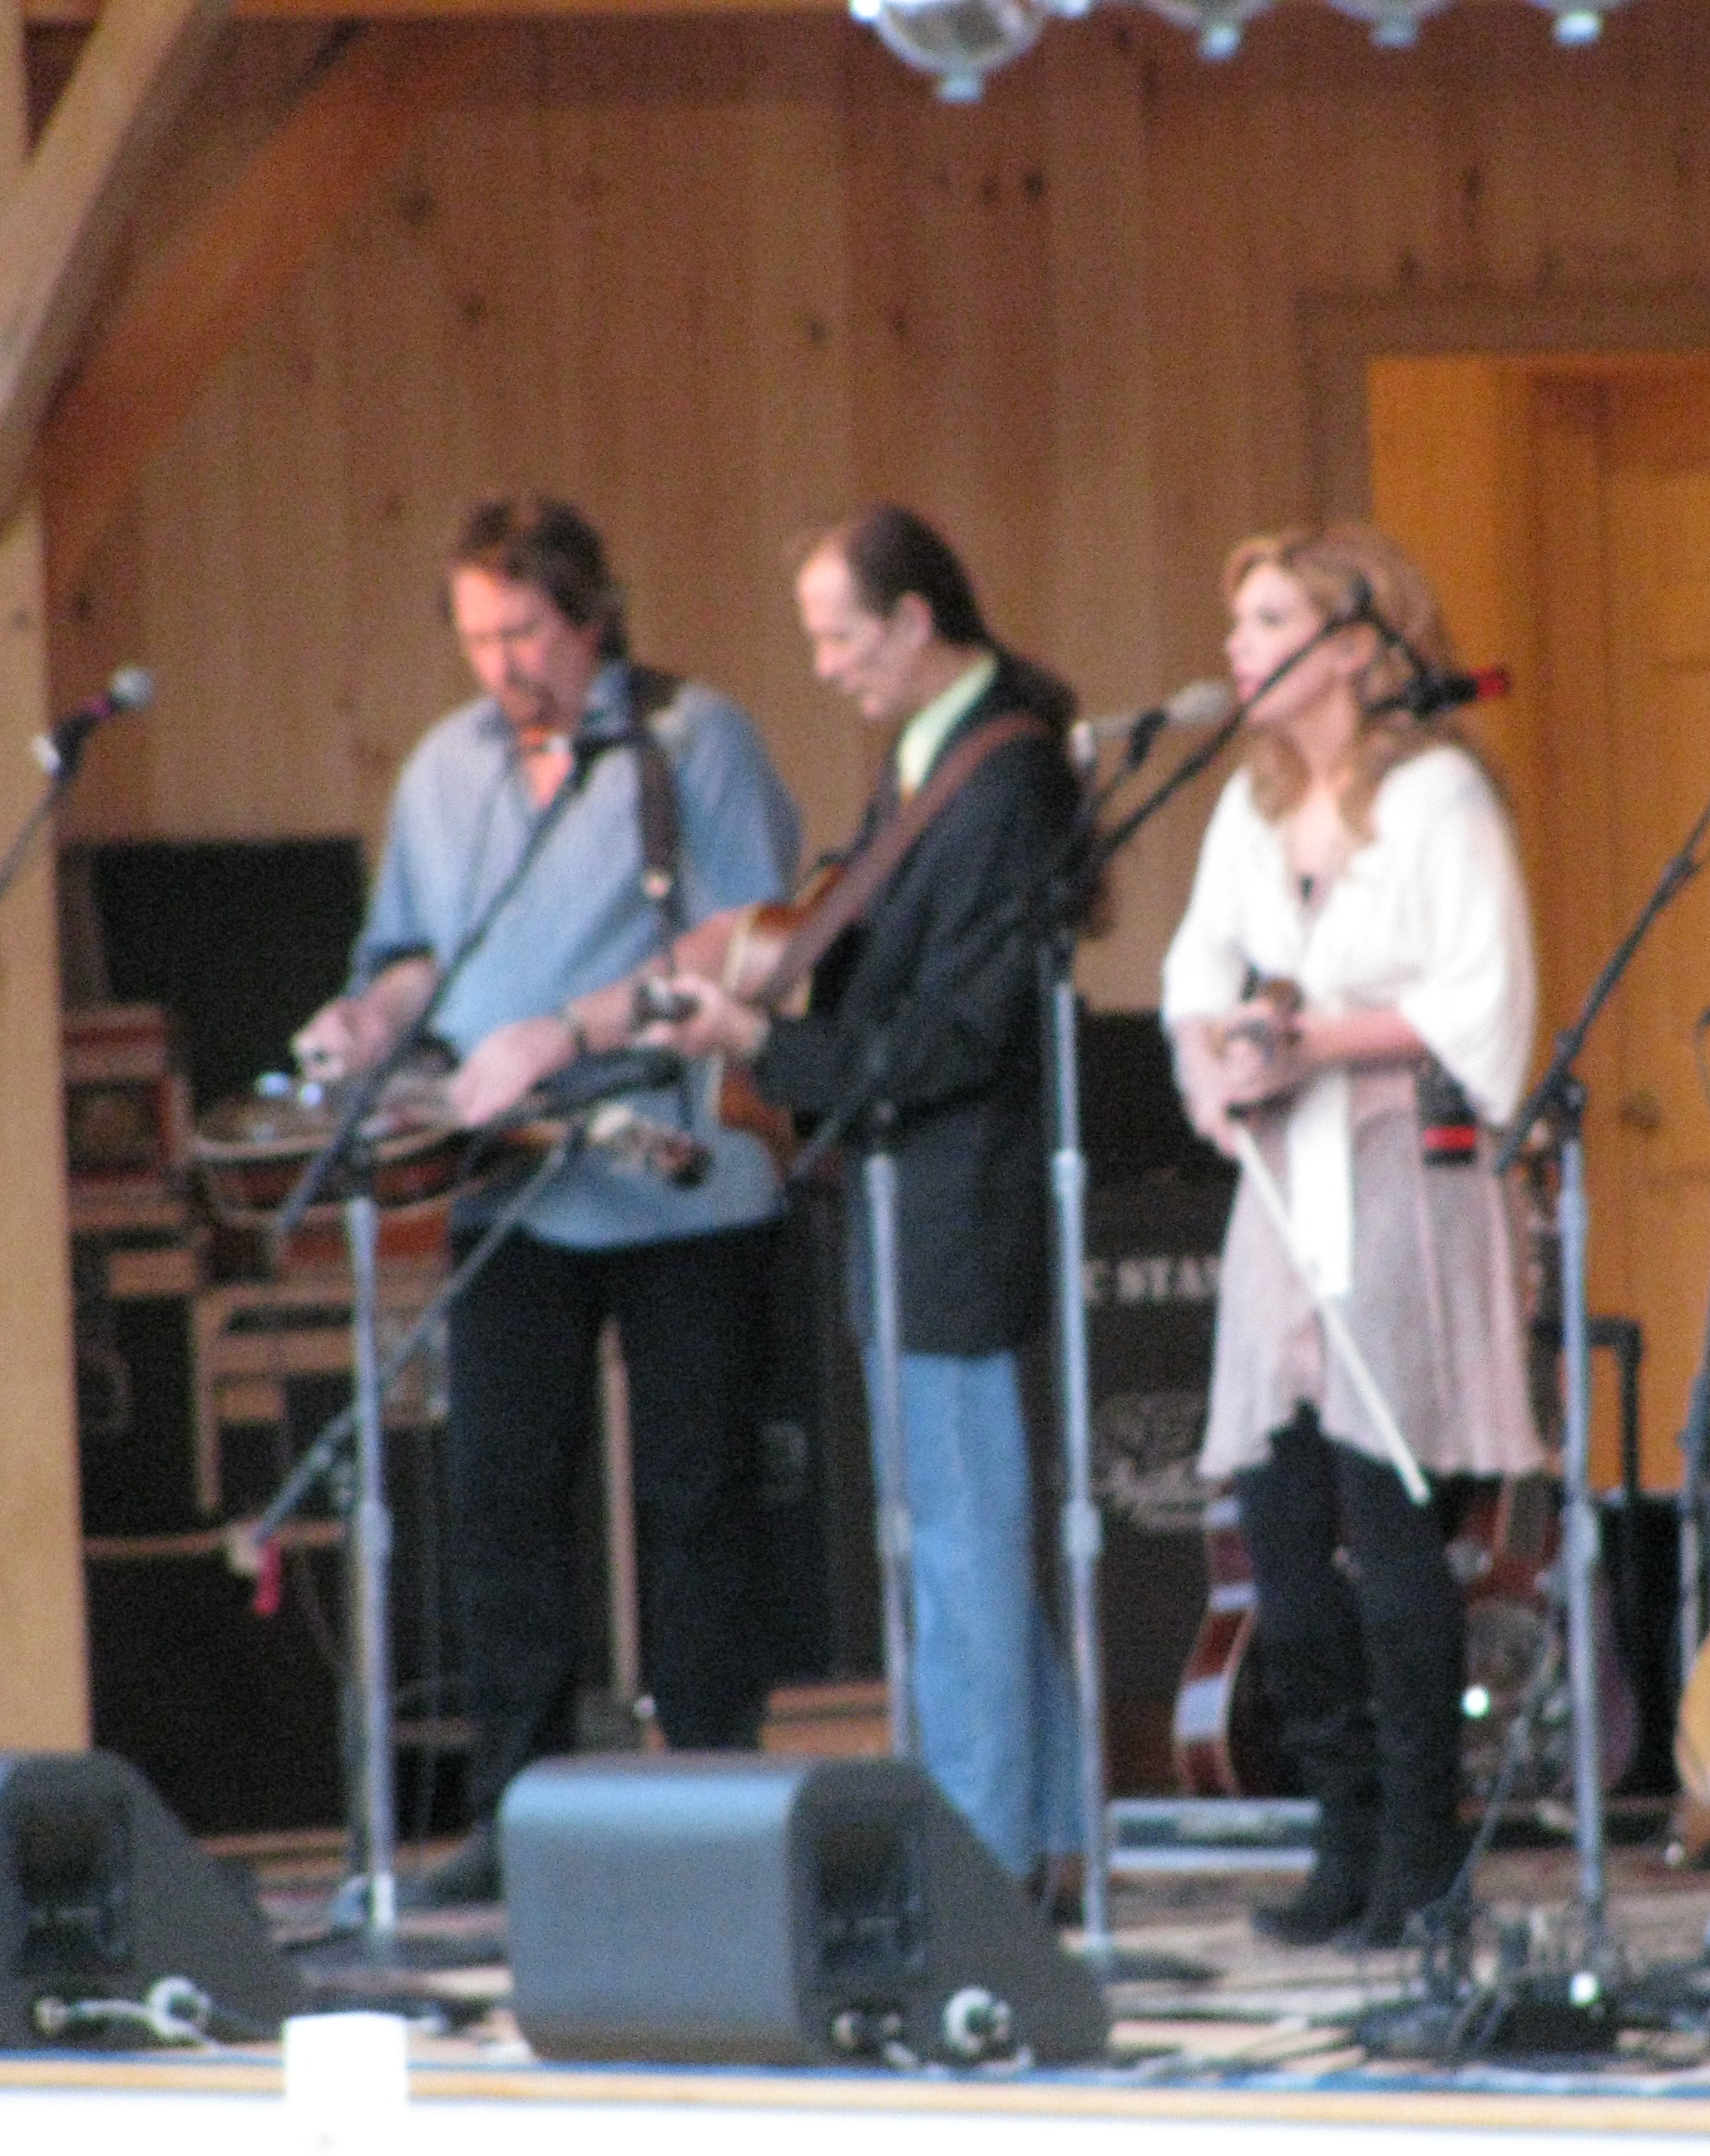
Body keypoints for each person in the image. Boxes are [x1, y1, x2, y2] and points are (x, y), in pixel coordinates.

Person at [294, 497, 803, 1902]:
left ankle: (717, 1803)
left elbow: (751, 936)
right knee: (503, 1495)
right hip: (510, 1182)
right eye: (477, 637)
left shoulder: (695, 740)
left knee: (698, 1497)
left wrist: (567, 1030)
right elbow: (414, 951)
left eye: (523, 632)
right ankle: (517, 1811)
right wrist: (370, 1018)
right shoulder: (444, 767)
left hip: (684, 1175)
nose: (501, 664)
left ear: (590, 616)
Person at [642, 504, 1085, 1891]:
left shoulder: (1000, 778)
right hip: (907, 1200)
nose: (825, 667)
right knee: (962, 1545)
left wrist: (763, 1046)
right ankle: (1043, 1831)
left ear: (913, 620)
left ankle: (978, 1864)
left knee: (960, 1550)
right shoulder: (934, 757)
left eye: (842, 638)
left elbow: (961, 1037)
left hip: (955, 1205)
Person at [1160, 524, 1545, 1949]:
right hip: (1281, 1181)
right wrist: (1214, 1064)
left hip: (1398, 1172)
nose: (1239, 647)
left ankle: (1422, 1854)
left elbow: (1485, 1003)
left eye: (1268, 620)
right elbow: (1195, 971)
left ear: (1353, 643)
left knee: (1388, 1530)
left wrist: (1313, 1039)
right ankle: (1339, 1832)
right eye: (1238, 621)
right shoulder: (1249, 804)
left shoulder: (1440, 797)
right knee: (1278, 1524)